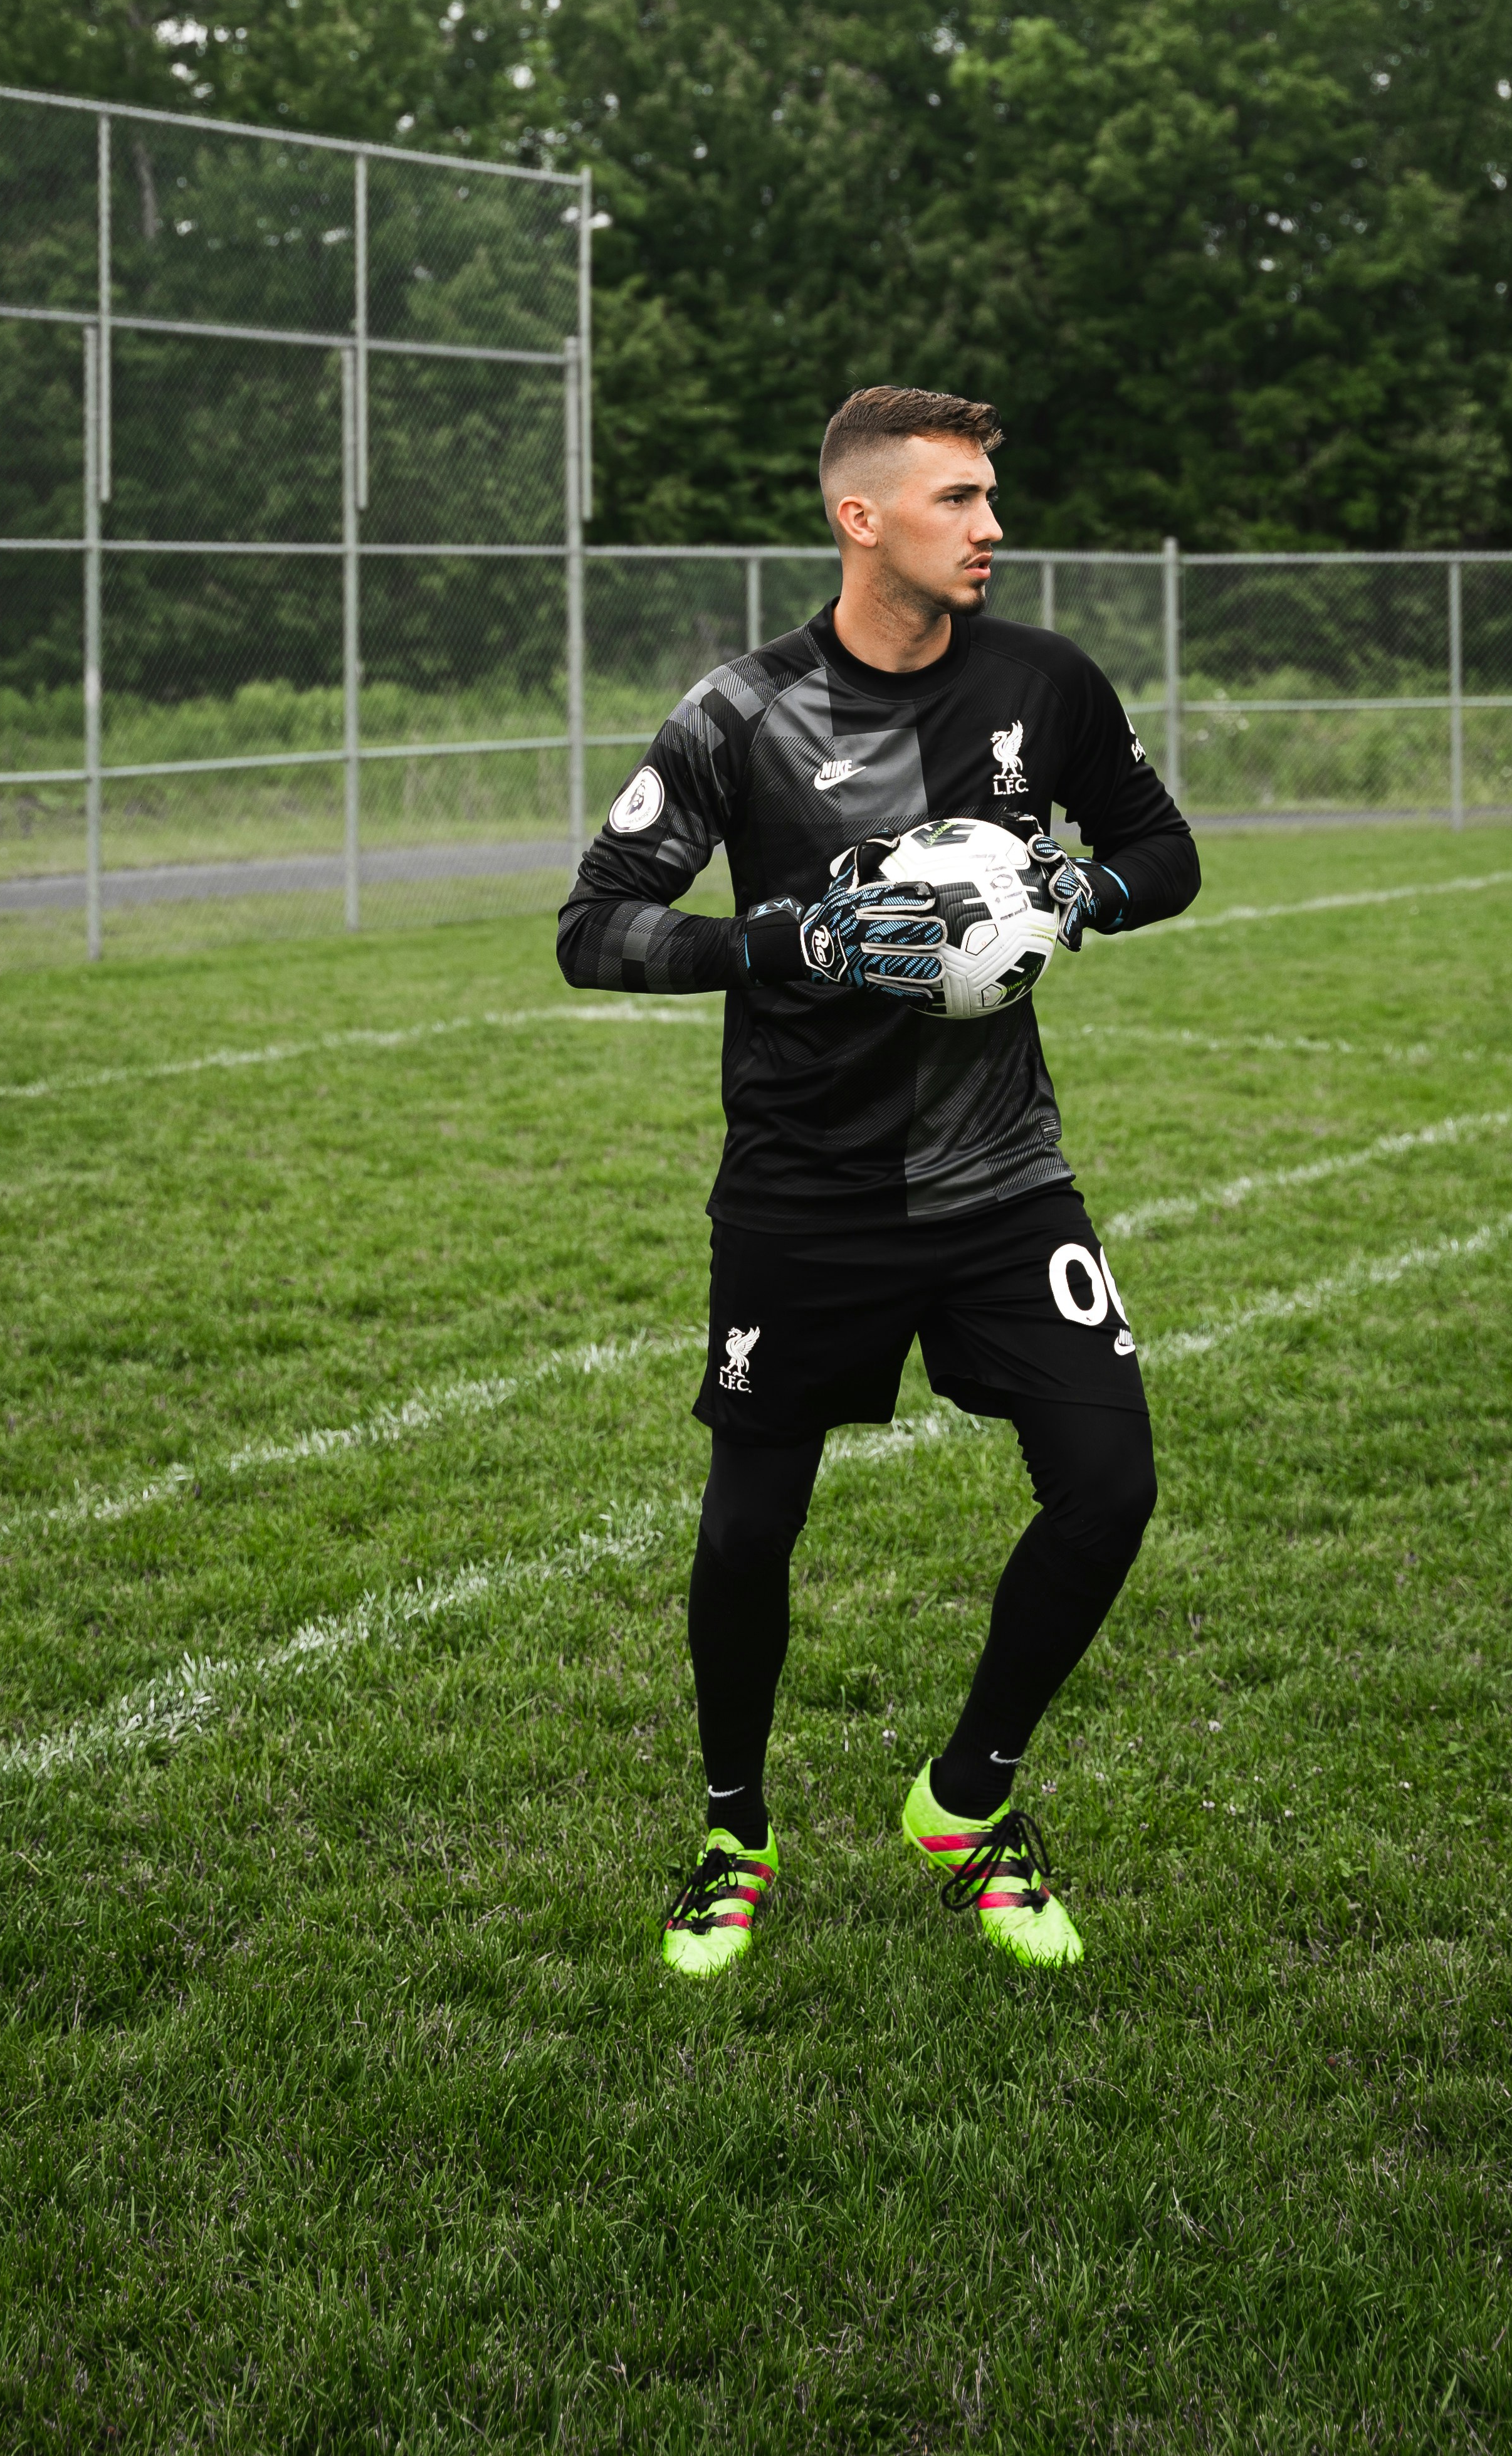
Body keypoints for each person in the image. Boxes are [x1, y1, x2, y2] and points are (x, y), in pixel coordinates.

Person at [556, 386, 1200, 1976]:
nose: (993, 527)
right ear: (862, 519)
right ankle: (732, 1833)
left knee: (1109, 1485)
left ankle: (967, 1798)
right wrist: (785, 938)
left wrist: (1085, 889)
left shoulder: (1045, 682)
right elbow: (594, 926)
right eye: (960, 500)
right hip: (803, 1190)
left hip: (1004, 1177)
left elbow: (1165, 846)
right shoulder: (740, 712)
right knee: (747, 1529)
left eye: (993, 497)